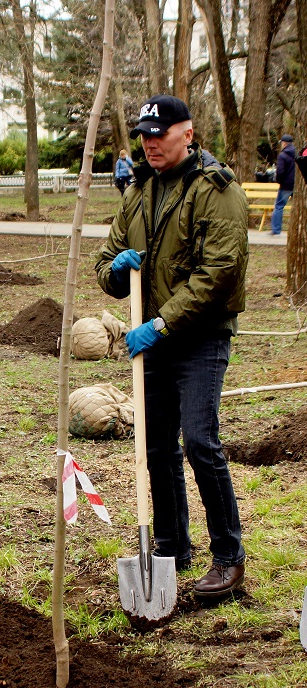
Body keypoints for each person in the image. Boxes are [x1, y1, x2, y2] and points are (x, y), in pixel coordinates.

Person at [94, 94, 248, 601]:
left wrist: (161, 323)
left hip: (199, 335)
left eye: (160, 134)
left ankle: (228, 557)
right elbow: (107, 258)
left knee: (201, 441)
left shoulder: (215, 188)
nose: (150, 143)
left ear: (188, 132)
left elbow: (219, 273)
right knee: (156, 445)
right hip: (151, 337)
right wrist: (114, 272)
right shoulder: (138, 189)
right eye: (144, 134)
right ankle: (171, 545)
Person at [270, 133, 296, 236]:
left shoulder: (283, 155)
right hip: (296, 184)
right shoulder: (297, 153)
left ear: (284, 143)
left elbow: (280, 171)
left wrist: (278, 181)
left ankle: (276, 230)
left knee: (279, 206)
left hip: (286, 185)